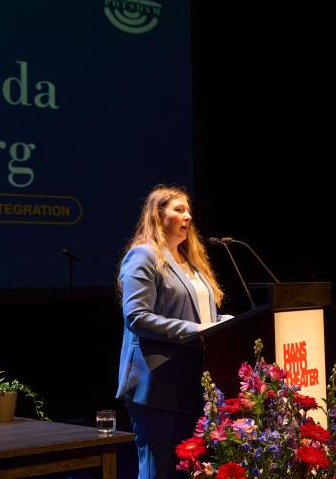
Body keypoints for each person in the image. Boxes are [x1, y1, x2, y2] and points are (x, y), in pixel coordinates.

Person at [116, 184, 225, 479]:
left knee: (193, 471)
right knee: (158, 470)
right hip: (157, 383)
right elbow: (137, 317)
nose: (188, 216)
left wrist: (228, 323)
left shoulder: (190, 262)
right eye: (179, 209)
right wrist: (198, 329)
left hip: (191, 381)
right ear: (158, 215)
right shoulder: (143, 256)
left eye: (188, 210)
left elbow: (203, 316)